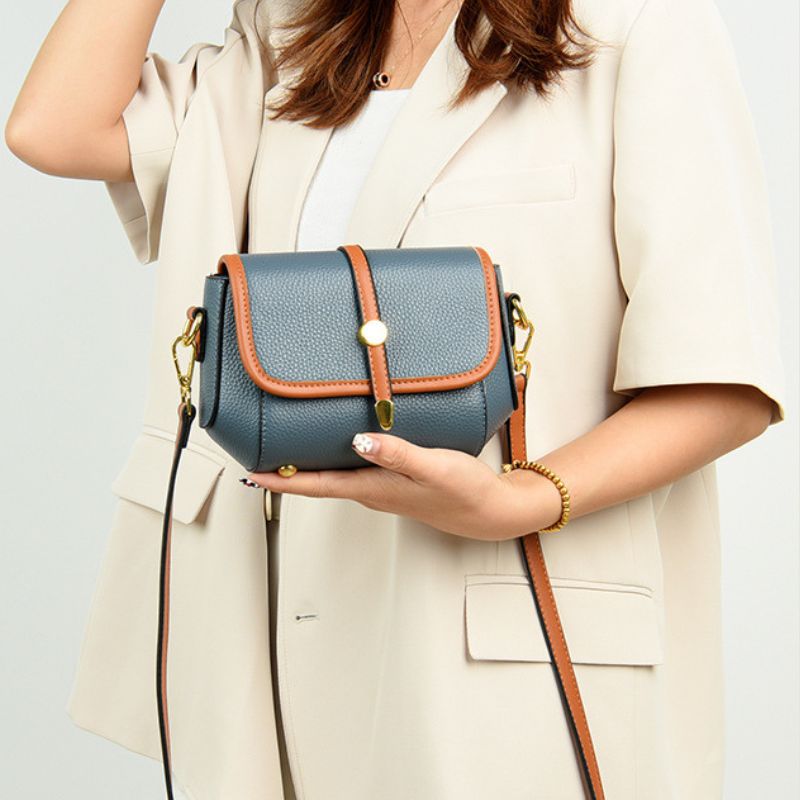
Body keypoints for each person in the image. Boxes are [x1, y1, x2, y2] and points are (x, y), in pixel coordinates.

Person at [5, 0, 787, 798]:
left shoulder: (638, 28)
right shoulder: (290, 34)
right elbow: (55, 127)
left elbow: (721, 383)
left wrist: (518, 500)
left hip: (501, 656)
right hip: (269, 655)